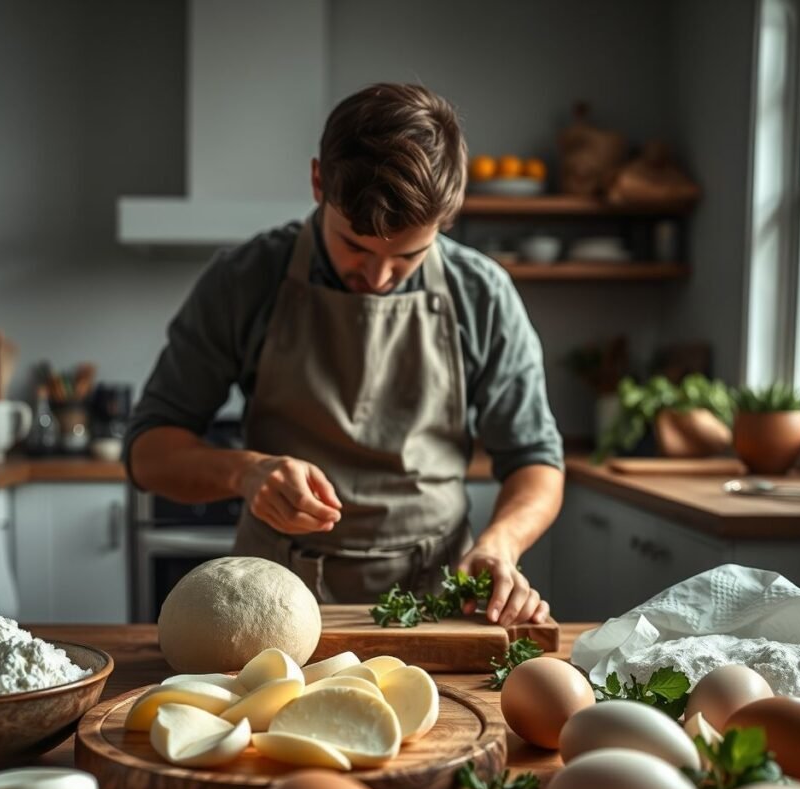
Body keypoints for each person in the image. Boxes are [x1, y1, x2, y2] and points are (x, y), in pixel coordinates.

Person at [126, 83, 564, 626]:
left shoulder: (482, 293)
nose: (377, 278)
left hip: (440, 595)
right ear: (317, 182)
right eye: (355, 245)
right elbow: (148, 450)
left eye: (407, 256)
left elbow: (536, 461)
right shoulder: (243, 282)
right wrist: (244, 473)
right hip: (273, 597)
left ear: (448, 217)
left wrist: (501, 543)